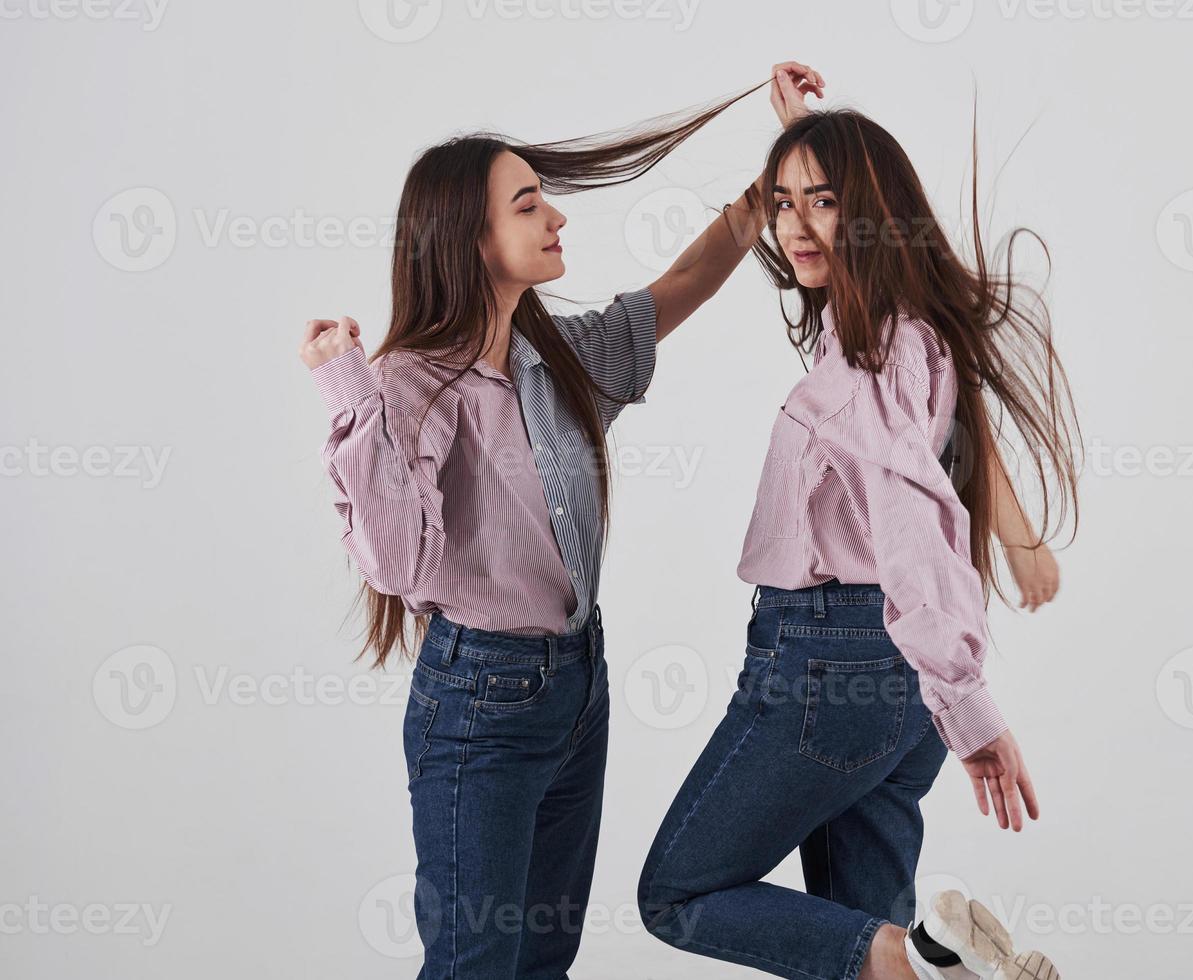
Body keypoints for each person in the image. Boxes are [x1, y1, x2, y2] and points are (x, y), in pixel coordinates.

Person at [297, 63, 825, 979]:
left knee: (543, 958)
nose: (557, 218)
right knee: (475, 961)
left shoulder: (560, 358)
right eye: (530, 204)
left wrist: (777, 166)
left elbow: (684, 283)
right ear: (469, 238)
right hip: (480, 708)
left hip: (579, 684)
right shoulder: (411, 385)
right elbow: (391, 562)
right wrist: (346, 389)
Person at [637, 108, 1079, 980]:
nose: (796, 226)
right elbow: (942, 469)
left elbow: (913, 520)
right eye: (783, 202)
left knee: (678, 894)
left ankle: (905, 960)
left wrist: (969, 704)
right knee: (849, 929)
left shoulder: (871, 356)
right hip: (892, 689)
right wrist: (807, 139)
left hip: (827, 666)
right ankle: (924, 959)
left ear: (870, 211)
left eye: (825, 201)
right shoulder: (910, 332)